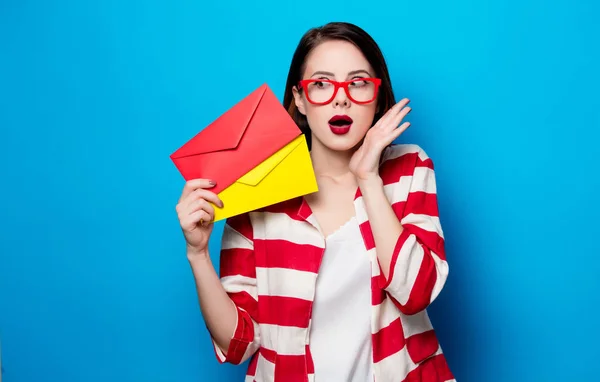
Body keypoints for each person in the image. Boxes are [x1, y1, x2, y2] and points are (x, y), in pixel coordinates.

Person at [175, 22, 455, 382]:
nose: (341, 98)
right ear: (300, 99)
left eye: (358, 83)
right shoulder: (257, 191)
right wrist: (197, 255)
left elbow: (415, 293)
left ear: (378, 97)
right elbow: (237, 345)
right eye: (321, 84)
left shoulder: (409, 168)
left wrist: (368, 178)